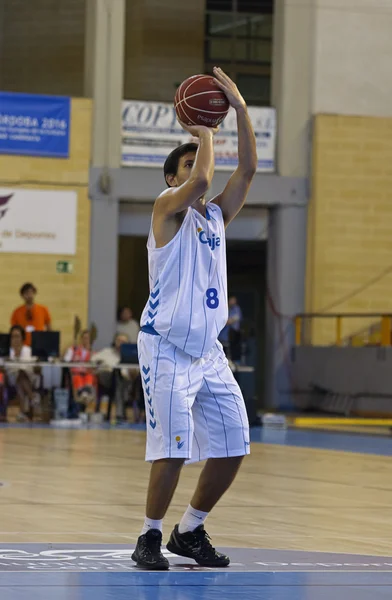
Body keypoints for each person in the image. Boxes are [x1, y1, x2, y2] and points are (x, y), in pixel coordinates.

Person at [133, 67, 257, 570]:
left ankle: (189, 529)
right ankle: (149, 536)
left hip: (208, 352)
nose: (196, 168)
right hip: (163, 345)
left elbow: (244, 172)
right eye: (185, 163)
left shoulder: (215, 218)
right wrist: (204, 128)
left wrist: (240, 110)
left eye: (196, 158)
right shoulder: (166, 208)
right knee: (173, 449)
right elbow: (204, 176)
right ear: (171, 178)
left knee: (234, 444)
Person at [92, 333, 131, 421]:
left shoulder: (130, 356)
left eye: (123, 341)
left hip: (126, 382)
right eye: (119, 341)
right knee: (115, 373)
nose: (121, 343)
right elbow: (93, 359)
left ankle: (120, 413)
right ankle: (119, 414)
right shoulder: (107, 352)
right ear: (115, 341)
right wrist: (100, 365)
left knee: (119, 378)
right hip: (108, 380)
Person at [5, 325, 36, 421]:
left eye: (18, 336)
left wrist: (16, 364)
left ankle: (23, 411)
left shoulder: (28, 350)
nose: (15, 339)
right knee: (19, 375)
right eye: (13, 337)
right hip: (11, 378)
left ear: (22, 338)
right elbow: (5, 366)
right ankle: (33, 398)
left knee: (21, 375)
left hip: (28, 377)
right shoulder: (7, 351)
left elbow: (30, 365)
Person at [64, 330, 97, 405]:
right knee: (77, 378)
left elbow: (95, 364)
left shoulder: (93, 352)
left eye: (88, 338)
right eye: (84, 338)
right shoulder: (73, 349)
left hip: (88, 374)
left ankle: (85, 395)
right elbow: (66, 360)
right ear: (81, 339)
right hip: (76, 373)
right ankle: (81, 396)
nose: (86, 340)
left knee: (90, 377)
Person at [219, 296, 243, 362]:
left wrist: (224, 321)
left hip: (233, 336)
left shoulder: (236, 309)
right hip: (222, 337)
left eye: (233, 300)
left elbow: (231, 320)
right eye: (231, 300)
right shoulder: (224, 308)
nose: (231, 302)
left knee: (233, 354)